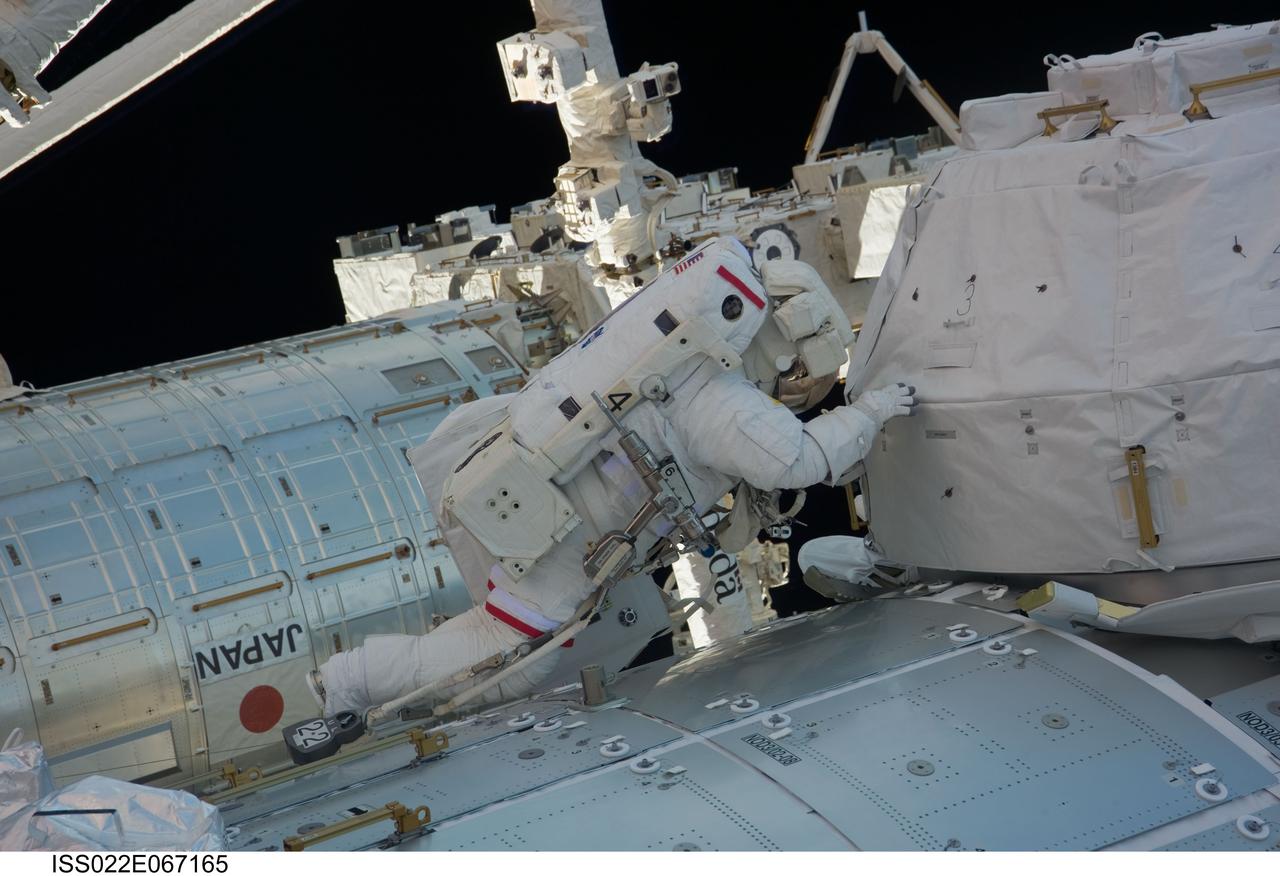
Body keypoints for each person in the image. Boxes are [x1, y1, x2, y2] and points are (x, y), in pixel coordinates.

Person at [308, 236, 915, 717]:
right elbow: (804, 459)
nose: (797, 389)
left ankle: (361, 682)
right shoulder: (723, 402)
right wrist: (878, 408)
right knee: (500, 665)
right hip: (557, 544)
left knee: (497, 641)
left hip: (511, 484)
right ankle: (348, 686)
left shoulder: (673, 351)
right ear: (785, 349)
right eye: (802, 374)